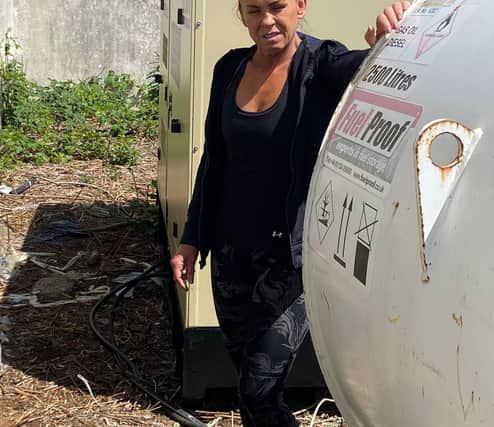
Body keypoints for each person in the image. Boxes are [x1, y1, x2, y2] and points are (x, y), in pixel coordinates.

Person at [171, 1, 410, 425]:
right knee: (249, 384)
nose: (266, 21)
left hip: (287, 264)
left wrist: (389, 41)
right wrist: (191, 238)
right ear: (242, 15)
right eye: (253, 10)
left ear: (300, 6)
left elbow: (370, 71)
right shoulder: (229, 69)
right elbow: (213, 160)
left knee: (258, 388)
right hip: (230, 258)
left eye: (277, 7)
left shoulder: (321, 65)